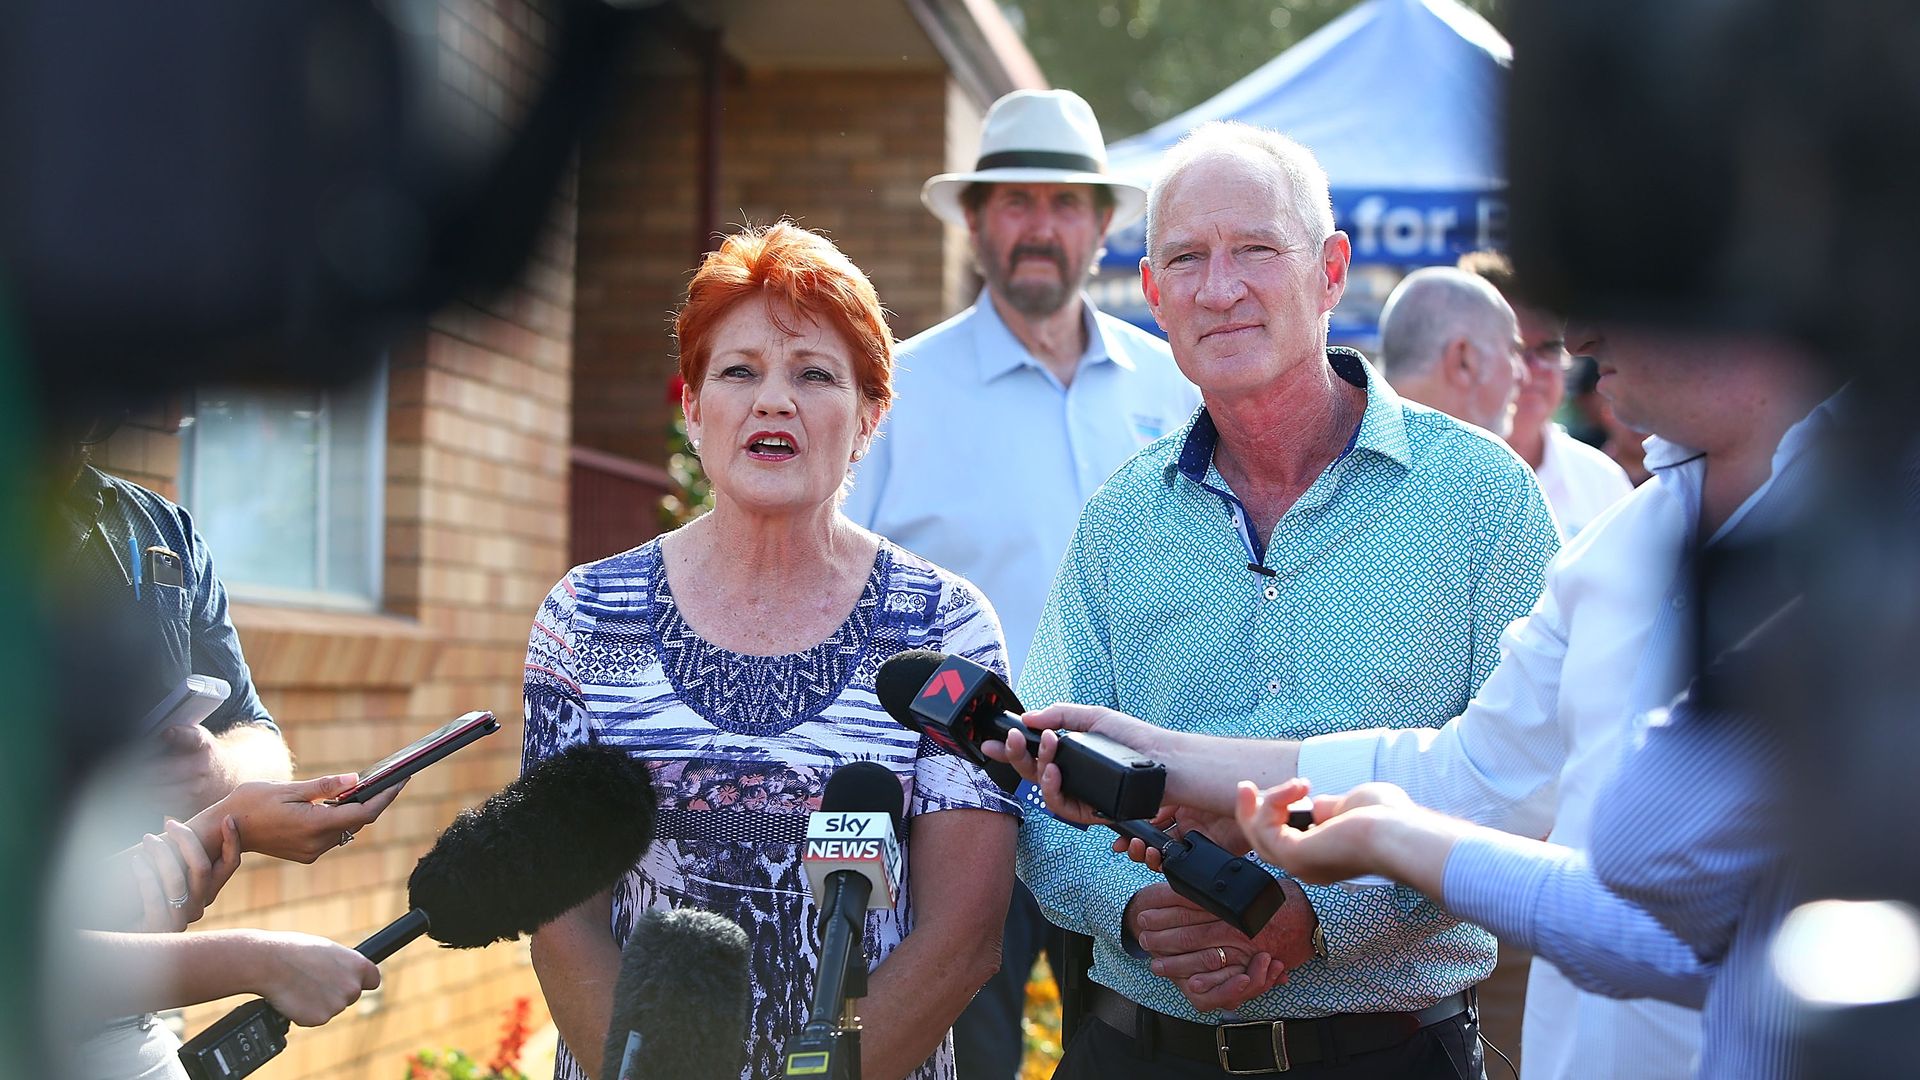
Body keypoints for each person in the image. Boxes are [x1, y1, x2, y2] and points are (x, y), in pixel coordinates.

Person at [1000, 325, 1838, 1079]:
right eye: (1185, 256)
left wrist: (1357, 876)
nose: (1563, 336)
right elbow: (1474, 769)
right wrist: (1172, 798)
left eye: (1616, 281)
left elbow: (1641, 904)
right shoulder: (1625, 541)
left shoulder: (1864, 545)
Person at [1007, 121, 1560, 1079]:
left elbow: (1530, 784)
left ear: (1331, 272)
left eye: (1256, 249)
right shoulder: (1117, 523)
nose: (1220, 290)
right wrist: (1139, 914)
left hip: (1392, 1053)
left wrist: (1322, 917)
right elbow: (1040, 781)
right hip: (1141, 1052)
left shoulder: (1483, 498)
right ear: (1153, 294)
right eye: (1187, 258)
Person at [523, 222, 1019, 1080]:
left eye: (815, 375)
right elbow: (562, 919)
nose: (773, 401)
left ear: (869, 418)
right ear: (693, 405)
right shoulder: (586, 616)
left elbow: (962, 936)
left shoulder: (946, 627)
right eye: (739, 371)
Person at [841, 87, 1199, 1080]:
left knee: (1140, 1060)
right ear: (973, 220)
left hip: (1133, 815)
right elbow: (841, 604)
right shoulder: (892, 397)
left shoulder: (1173, 390)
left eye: (1066, 203)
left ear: (1101, 225)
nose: (1040, 227)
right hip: (958, 814)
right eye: (1015, 201)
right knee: (966, 1062)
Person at [1458, 251, 1633, 538]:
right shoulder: (1426, 477)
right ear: (1462, 355)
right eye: (1513, 348)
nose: (1530, 370)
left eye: (1549, 348)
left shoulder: (1604, 484)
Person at [1374, 266, 1526, 438]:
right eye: (1512, 352)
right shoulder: (1488, 462)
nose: (1523, 375)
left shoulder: (1345, 445)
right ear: (1463, 360)